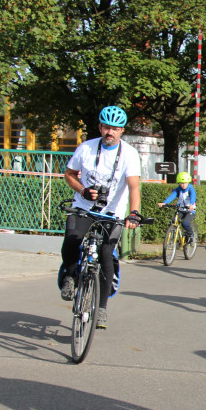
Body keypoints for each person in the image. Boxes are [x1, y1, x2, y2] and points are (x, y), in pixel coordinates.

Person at [59, 106, 143, 329]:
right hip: (84, 207)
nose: (110, 132)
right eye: (106, 127)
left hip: (111, 213)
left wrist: (133, 213)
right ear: (100, 127)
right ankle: (69, 276)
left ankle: (102, 308)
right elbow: (69, 174)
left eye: (115, 129)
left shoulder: (129, 154)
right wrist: (82, 190)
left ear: (122, 131)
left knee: (106, 253)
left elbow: (134, 186)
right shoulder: (85, 148)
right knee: (72, 239)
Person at [158, 171, 197, 238]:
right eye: (181, 183)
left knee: (185, 223)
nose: (183, 185)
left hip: (189, 210)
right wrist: (164, 203)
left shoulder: (191, 189)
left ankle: (191, 235)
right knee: (173, 222)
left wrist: (191, 204)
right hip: (181, 209)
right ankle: (174, 239)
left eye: (185, 183)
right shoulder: (178, 190)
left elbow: (193, 197)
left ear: (188, 182)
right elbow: (172, 196)